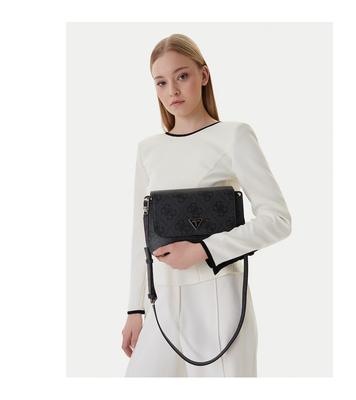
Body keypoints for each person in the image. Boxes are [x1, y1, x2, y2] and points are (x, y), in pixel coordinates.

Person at [121, 33, 292, 377]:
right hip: (162, 300)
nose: (173, 90)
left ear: (204, 75)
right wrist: (134, 309)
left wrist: (203, 250)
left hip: (219, 295)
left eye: (182, 76)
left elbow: (277, 220)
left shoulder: (233, 136)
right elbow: (141, 235)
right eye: (161, 82)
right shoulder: (148, 149)